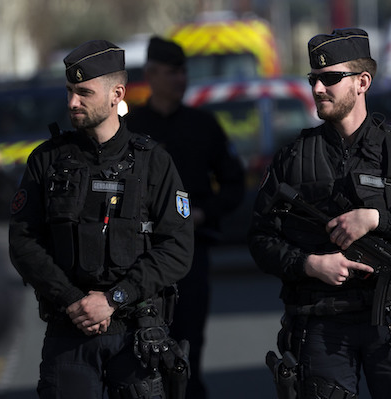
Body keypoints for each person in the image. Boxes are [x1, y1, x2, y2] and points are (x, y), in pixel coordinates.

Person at [248, 28, 391, 398]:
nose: (317, 89)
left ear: (362, 82)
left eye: (330, 79)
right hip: (320, 323)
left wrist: (376, 219)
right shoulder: (293, 158)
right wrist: (309, 264)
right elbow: (261, 238)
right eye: (313, 79)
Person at [8, 39, 194, 398]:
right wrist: (73, 300)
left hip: (136, 337)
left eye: (83, 93)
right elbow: (24, 241)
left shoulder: (153, 161)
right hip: (69, 335)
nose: (71, 102)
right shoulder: (47, 160)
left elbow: (177, 247)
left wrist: (112, 300)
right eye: (69, 91)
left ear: (116, 94)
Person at [126, 36, 246, 399]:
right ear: (151, 74)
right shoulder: (130, 129)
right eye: (171, 72)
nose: (180, 79)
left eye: (183, 72)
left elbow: (233, 183)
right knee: (141, 351)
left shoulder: (203, 125)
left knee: (189, 347)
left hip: (192, 254)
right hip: (140, 255)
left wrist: (205, 213)